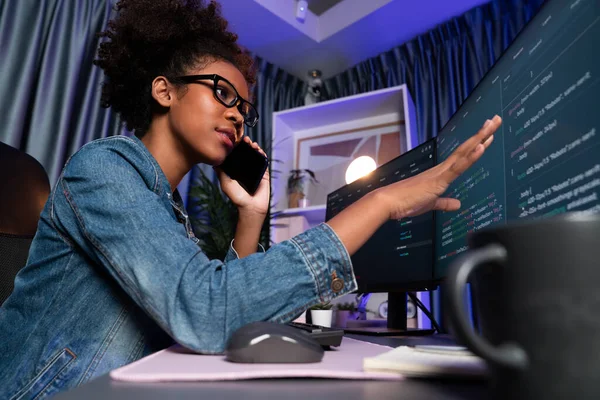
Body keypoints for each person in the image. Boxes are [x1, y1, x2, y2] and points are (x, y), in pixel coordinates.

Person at [0, 0, 502, 397]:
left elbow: (222, 304)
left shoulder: (164, 209)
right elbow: (206, 312)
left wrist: (251, 212)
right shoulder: (103, 169)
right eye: (222, 92)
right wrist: (381, 203)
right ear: (164, 91)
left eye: (244, 107)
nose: (239, 115)